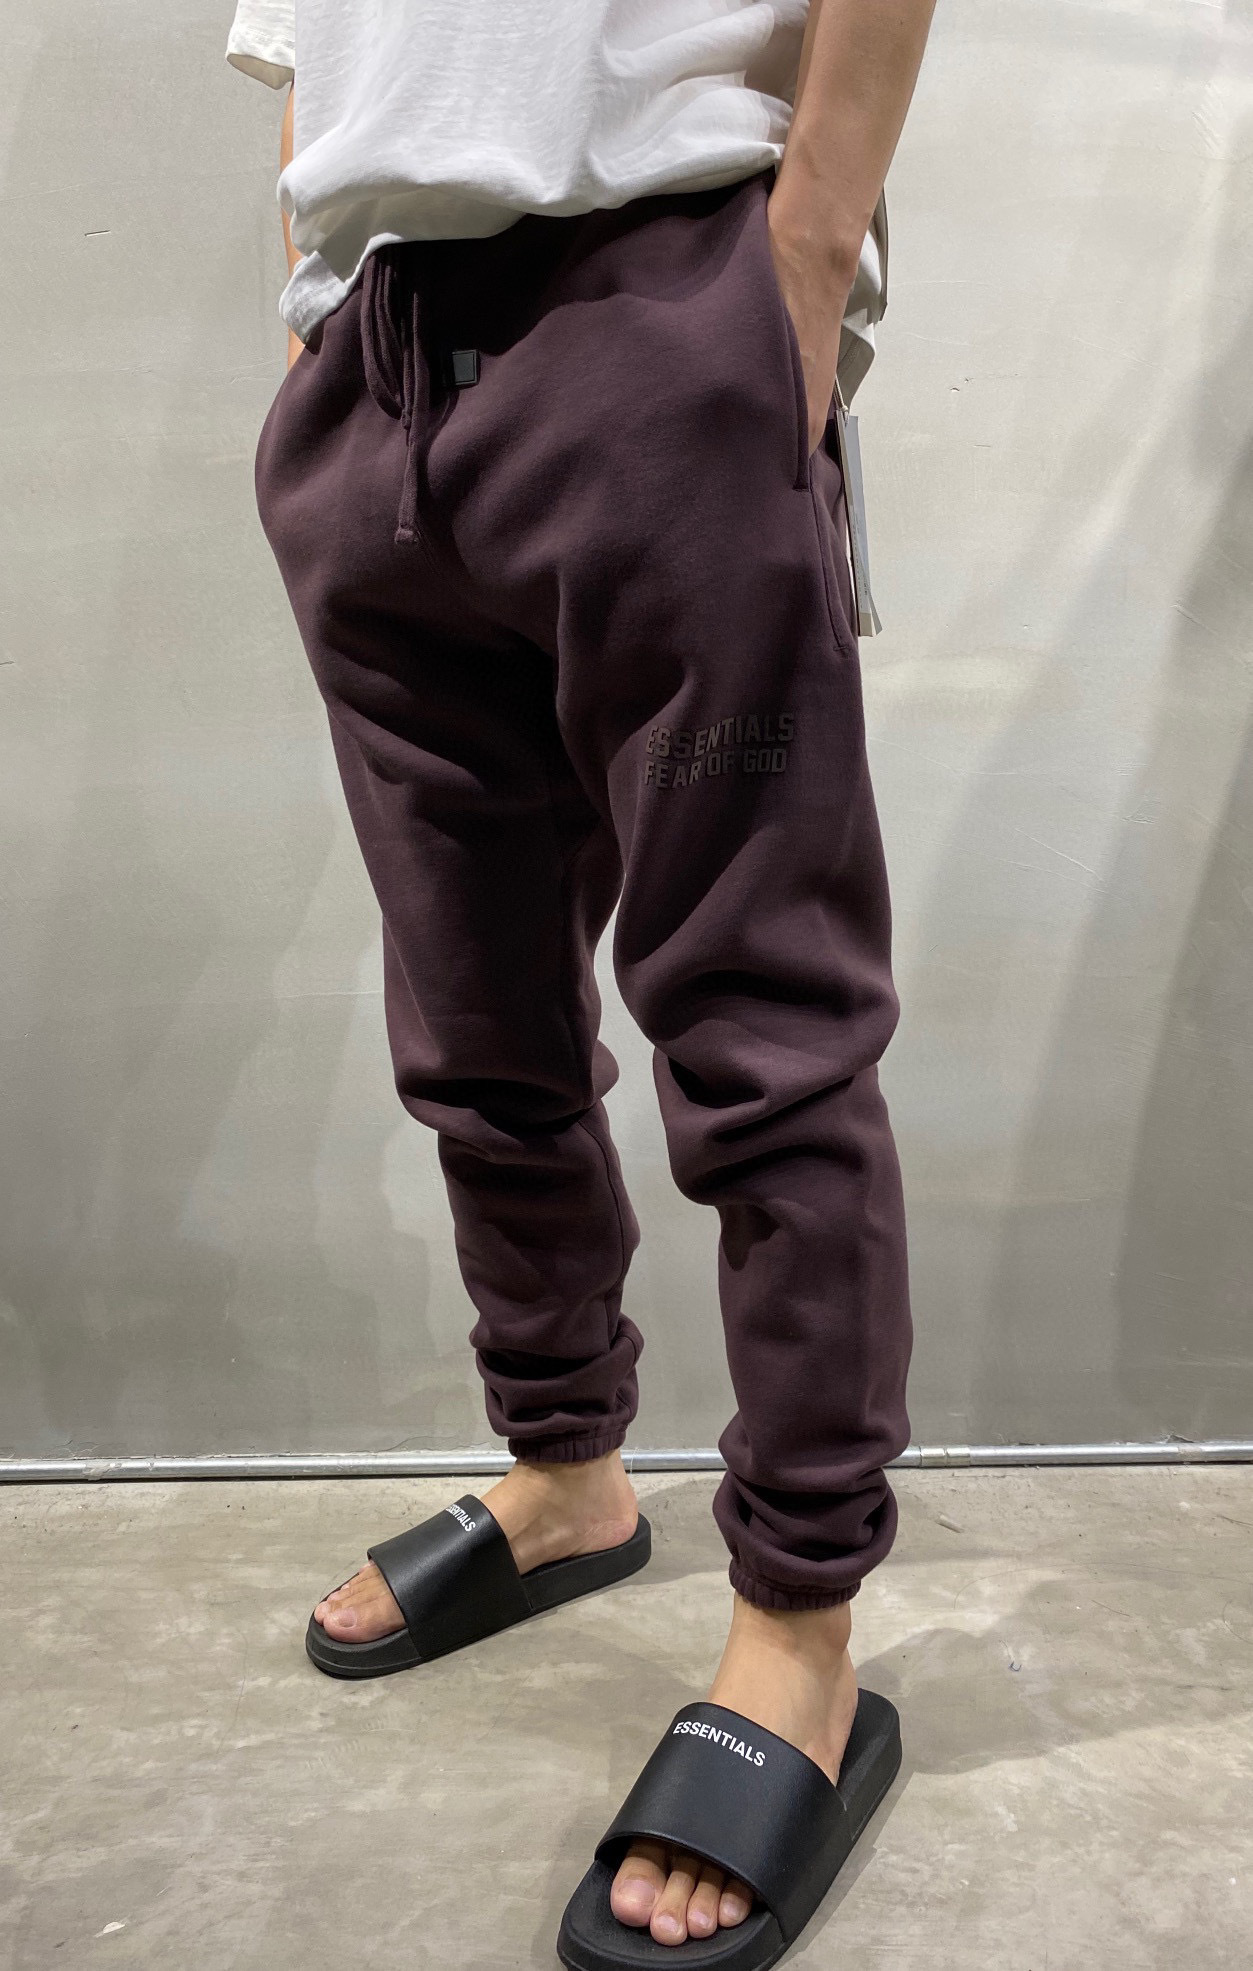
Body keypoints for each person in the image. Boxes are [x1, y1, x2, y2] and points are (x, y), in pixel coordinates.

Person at [228, 0, 936, 1958]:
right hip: (373, 357)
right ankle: (566, 1468)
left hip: (663, 296)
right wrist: (310, 312)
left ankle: (797, 1620)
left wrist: (799, 266)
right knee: (476, 1022)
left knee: (760, 1037)